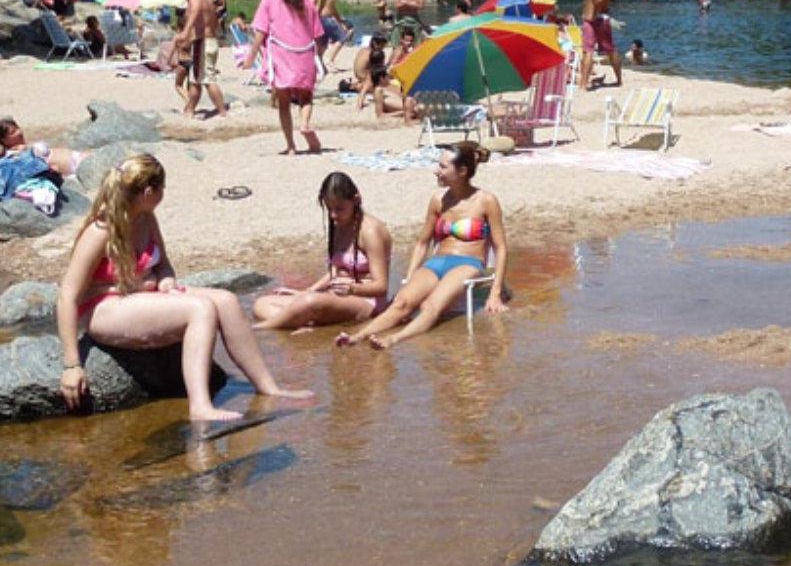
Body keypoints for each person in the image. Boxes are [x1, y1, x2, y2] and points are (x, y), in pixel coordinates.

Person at [56, 154, 312, 422]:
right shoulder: (101, 231)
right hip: (103, 307)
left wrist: (166, 280)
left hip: (141, 296)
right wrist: (72, 365)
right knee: (199, 309)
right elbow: (67, 296)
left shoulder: (146, 219)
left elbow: (164, 265)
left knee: (226, 301)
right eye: (162, 189)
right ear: (148, 191)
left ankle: (268, 388)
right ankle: (200, 406)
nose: (163, 194)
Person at [336, 142, 508, 349]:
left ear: (462, 171)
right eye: (438, 164)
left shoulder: (486, 201)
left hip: (468, 263)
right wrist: (409, 277)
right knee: (401, 303)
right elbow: (422, 242)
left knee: (430, 305)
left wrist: (495, 292)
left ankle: (393, 339)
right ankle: (357, 337)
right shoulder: (438, 200)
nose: (436, 170)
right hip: (436, 262)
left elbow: (500, 247)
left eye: (443, 167)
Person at [251, 173, 393, 332]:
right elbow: (335, 273)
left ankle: (261, 328)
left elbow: (381, 286)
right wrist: (307, 291)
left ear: (356, 199)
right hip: (335, 297)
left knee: (310, 302)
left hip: (367, 301)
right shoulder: (341, 224)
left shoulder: (371, 231)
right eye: (329, 209)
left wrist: (352, 289)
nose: (333, 216)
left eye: (339, 209)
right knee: (262, 304)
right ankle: (300, 323)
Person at [244, 0, 325, 154]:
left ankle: (290, 146)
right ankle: (304, 124)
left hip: (281, 55)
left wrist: (251, 55)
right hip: (304, 54)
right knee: (306, 97)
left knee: (284, 103)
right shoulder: (307, 1)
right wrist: (319, 59)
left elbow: (261, 31)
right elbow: (317, 35)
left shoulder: (270, 0)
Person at [175, 0, 228, 120]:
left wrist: (185, 32)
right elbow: (216, 22)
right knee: (195, 80)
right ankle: (190, 110)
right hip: (211, 41)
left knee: (207, 79)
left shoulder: (195, 0)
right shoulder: (208, 2)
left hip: (202, 43)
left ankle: (222, 111)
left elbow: (194, 13)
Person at [578, 0, 622, 92]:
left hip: (593, 19)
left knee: (588, 51)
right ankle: (619, 80)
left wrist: (594, 12)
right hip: (604, 17)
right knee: (611, 49)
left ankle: (583, 84)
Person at [0, 116, 85, 178]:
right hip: (76, 165)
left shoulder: (20, 149)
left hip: (77, 159)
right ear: (4, 140)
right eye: (13, 132)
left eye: (17, 128)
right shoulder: (14, 154)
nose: (19, 132)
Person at [313, 0, 352, 66]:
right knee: (342, 37)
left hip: (323, 18)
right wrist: (310, 5)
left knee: (323, 43)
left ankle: (319, 63)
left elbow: (333, 9)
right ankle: (330, 60)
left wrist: (340, 21)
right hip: (325, 19)